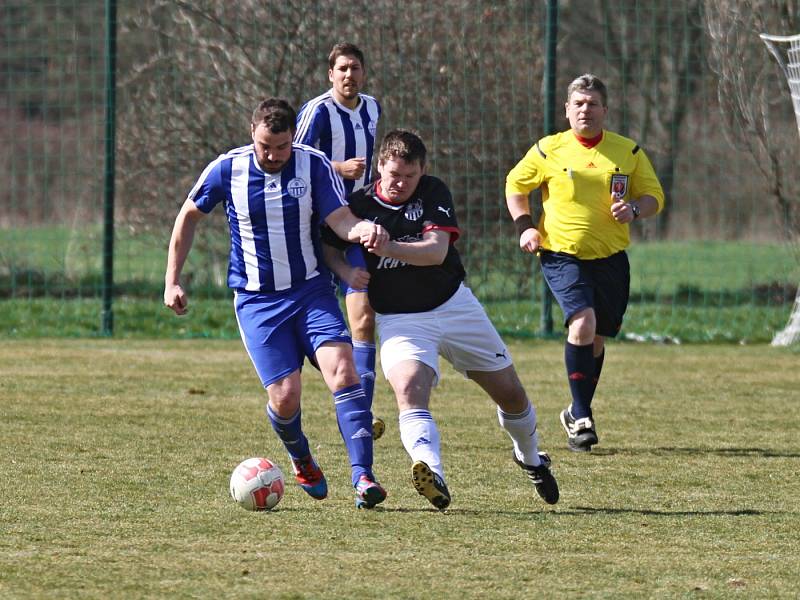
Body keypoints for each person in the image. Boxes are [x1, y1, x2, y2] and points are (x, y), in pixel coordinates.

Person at [164, 98, 389, 509]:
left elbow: (339, 219)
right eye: (265, 146)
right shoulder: (227, 168)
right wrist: (172, 280)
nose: (272, 155)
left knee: (344, 372)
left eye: (281, 147)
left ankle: (363, 478)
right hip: (257, 302)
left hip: (311, 292)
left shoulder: (313, 164)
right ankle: (301, 456)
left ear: (292, 140)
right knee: (286, 397)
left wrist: (362, 230)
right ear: (253, 132)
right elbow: (188, 216)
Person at [324, 129, 559, 510]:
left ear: (422, 171)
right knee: (409, 389)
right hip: (400, 320)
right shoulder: (359, 204)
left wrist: (389, 246)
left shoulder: (433, 192)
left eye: (409, 175)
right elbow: (328, 247)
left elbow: (435, 252)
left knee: (511, 395)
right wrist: (345, 273)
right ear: (380, 165)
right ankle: (431, 472)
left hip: (454, 307)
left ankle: (530, 457)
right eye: (393, 173)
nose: (400, 183)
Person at [505, 74, 665, 452]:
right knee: (583, 322)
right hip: (562, 253)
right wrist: (526, 227)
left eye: (592, 104)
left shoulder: (628, 151)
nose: (585, 110)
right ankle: (581, 415)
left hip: (610, 258)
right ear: (566, 110)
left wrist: (636, 208)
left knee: (596, 338)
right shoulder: (548, 150)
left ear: (605, 110)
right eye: (578, 103)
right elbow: (515, 185)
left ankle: (577, 412)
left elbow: (655, 196)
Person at [295, 42, 385, 441]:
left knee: (363, 315)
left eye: (355, 68)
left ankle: (362, 411)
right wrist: (338, 167)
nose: (349, 75)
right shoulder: (317, 111)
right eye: (342, 69)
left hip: (357, 220)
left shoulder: (372, 107)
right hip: (318, 223)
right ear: (330, 74)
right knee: (315, 323)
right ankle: (333, 385)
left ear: (363, 73)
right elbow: (293, 157)